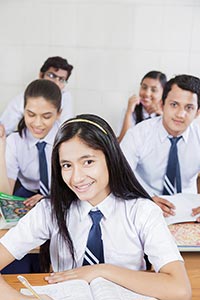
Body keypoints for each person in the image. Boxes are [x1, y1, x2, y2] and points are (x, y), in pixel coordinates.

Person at [0, 114, 191, 300]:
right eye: (66, 165)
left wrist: (101, 271)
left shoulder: (142, 211)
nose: (76, 178)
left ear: (110, 158)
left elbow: (179, 289)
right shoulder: (49, 211)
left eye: (88, 162)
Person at [0, 79, 61, 274]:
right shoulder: (16, 141)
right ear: (23, 111)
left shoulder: (66, 138)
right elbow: (5, 193)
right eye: (31, 114)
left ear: (58, 114)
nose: (37, 123)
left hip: (61, 194)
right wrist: (1, 148)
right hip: (25, 196)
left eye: (46, 116)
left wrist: (49, 198)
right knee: (17, 262)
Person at [120, 74, 200, 221]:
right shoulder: (138, 135)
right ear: (162, 105)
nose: (180, 114)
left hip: (189, 211)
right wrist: (146, 199)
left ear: (197, 112)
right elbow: (119, 177)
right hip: (144, 204)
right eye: (174, 104)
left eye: (189, 107)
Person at [0, 56, 73, 136]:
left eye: (61, 80)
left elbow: (67, 131)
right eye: (52, 76)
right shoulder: (27, 96)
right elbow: (4, 127)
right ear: (41, 75)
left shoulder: (65, 98)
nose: (56, 82)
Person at [118, 71, 167, 142]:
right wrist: (129, 112)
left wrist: (163, 116)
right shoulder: (130, 111)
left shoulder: (166, 114)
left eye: (153, 90)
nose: (147, 93)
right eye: (144, 87)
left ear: (163, 92)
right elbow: (122, 142)